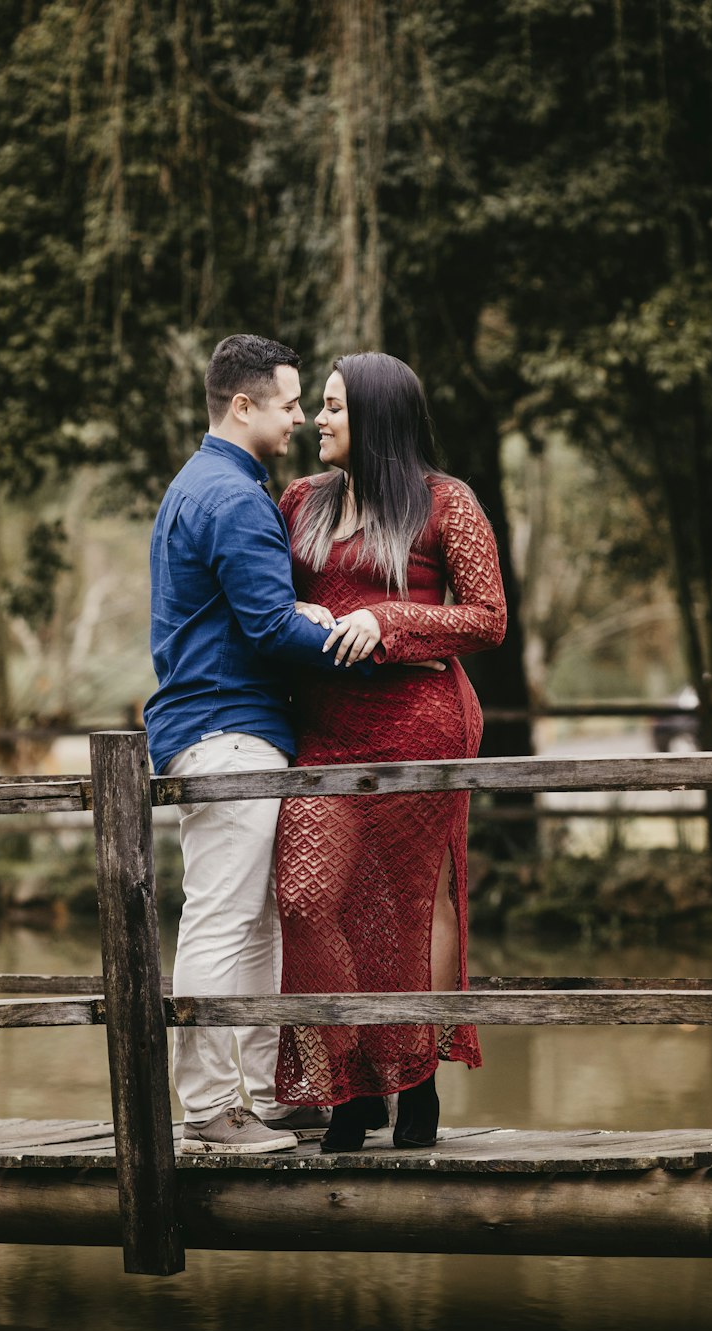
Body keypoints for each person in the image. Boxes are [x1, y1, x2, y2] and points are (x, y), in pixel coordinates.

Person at [273, 352, 507, 1152]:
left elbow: (487, 618)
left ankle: (415, 1086)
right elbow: (262, 594)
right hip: (325, 730)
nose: (320, 421)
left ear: (375, 416)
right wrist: (292, 606)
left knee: (410, 907)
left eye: (334, 407)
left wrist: (391, 620)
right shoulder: (300, 501)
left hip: (423, 720)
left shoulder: (448, 503)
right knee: (308, 901)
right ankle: (346, 1085)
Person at [144, 333, 369, 1156]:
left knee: (261, 920)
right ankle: (208, 1106)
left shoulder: (202, 484)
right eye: (288, 401)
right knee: (223, 917)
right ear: (243, 405)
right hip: (227, 731)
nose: (301, 415)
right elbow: (270, 629)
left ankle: (268, 1093)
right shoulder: (235, 498)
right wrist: (371, 639)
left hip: (231, 729)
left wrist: (300, 619)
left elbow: (253, 616)